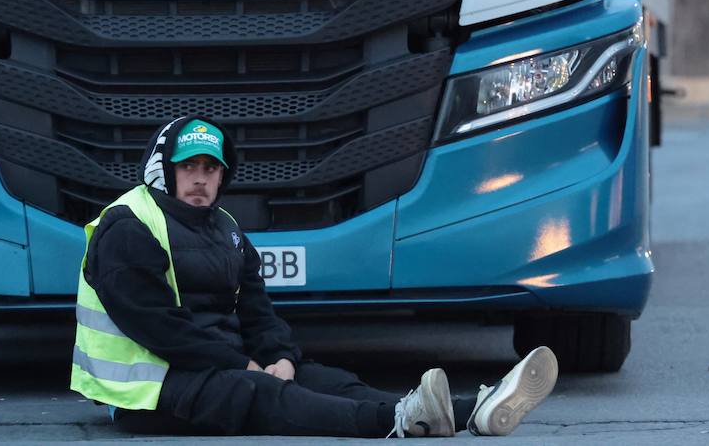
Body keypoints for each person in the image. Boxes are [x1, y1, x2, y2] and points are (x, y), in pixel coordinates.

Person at [70, 116, 559, 438]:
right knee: (263, 394)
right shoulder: (129, 226)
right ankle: (398, 422)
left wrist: (278, 356)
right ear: (163, 169)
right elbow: (161, 329)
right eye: (189, 166)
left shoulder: (227, 230)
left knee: (324, 380)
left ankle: (467, 409)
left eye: (211, 168)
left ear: (223, 175)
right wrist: (246, 366)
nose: (201, 178)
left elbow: (258, 313)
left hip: (215, 369)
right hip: (148, 392)